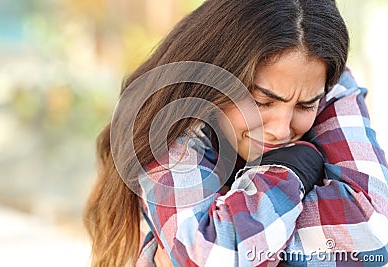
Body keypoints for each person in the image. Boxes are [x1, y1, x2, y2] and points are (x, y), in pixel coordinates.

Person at [84, 0, 388, 266]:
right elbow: (210, 257)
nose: (281, 129)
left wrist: (247, 248)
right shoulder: (170, 121)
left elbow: (375, 234)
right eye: (261, 101)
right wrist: (290, 168)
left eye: (307, 106)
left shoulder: (325, 80)